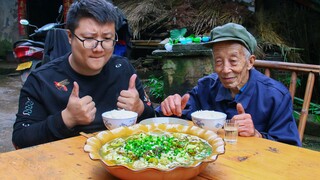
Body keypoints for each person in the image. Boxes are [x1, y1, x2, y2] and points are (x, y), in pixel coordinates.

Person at [12, 0, 154, 149]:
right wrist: (66, 119)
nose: (99, 48)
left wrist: (140, 109)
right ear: (69, 37)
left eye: (107, 39)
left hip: (119, 160)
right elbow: (20, 139)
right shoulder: (41, 80)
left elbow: (151, 119)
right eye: (89, 38)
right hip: (66, 164)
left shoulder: (123, 69)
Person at [155, 23, 302, 146]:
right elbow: (180, 115)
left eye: (233, 61)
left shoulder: (276, 96)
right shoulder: (206, 87)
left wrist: (257, 135)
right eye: (218, 62)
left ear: (250, 62)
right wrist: (170, 107)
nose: (225, 70)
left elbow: (291, 149)